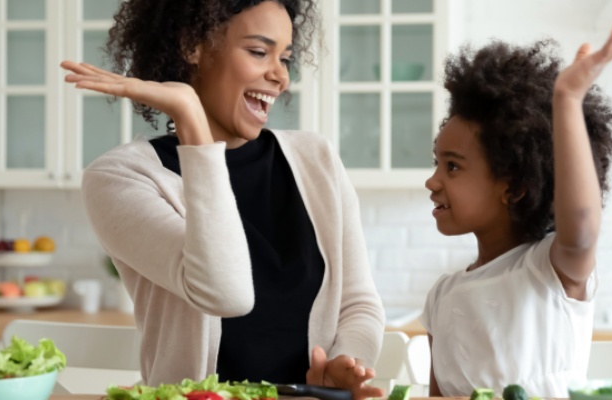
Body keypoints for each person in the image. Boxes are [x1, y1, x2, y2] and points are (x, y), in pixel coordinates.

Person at [60, 1, 385, 398]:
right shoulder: (119, 177)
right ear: (192, 46)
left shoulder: (316, 160)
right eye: (258, 52)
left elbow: (359, 304)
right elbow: (225, 292)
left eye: (285, 57)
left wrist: (343, 364)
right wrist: (191, 120)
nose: (280, 75)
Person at [421, 16, 612, 398]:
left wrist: (567, 100)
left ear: (515, 187)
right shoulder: (442, 296)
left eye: (452, 166)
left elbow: (582, 225)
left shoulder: (549, 272)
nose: (432, 181)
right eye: (436, 163)